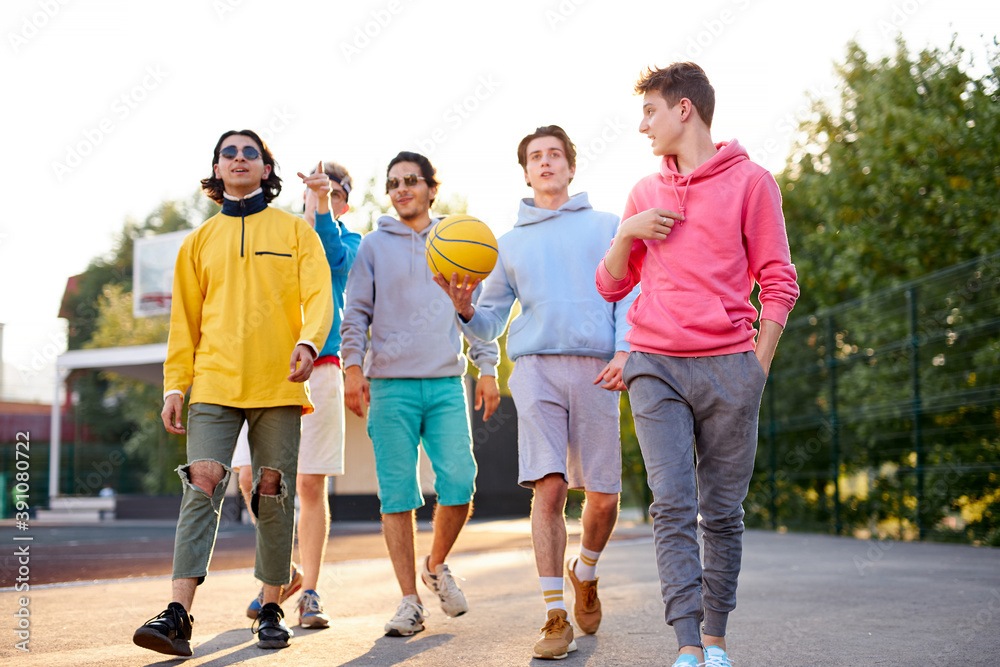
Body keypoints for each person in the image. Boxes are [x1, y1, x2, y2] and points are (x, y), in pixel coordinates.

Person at [595, 63, 799, 667]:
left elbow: (779, 281)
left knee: (723, 513)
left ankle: (715, 640)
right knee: (673, 505)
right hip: (655, 364)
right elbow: (610, 287)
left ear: (684, 109)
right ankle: (686, 643)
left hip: (729, 369)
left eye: (650, 112)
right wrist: (627, 234)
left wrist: (754, 367)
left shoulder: (753, 182)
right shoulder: (643, 193)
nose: (642, 126)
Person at [434, 125, 637, 660]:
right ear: (525, 172)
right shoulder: (506, 244)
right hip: (536, 370)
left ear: (571, 166)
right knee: (548, 489)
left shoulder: (608, 227)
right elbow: (490, 324)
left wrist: (624, 353)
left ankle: (585, 572)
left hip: (598, 367)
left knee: (604, 497)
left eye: (554, 155)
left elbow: (628, 298)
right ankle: (554, 615)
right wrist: (464, 307)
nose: (545, 163)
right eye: (535, 157)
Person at [132, 130, 333, 656]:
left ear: (267, 169)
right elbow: (184, 323)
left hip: (279, 382)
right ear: (217, 170)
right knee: (202, 480)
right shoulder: (197, 242)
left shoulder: (294, 231)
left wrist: (310, 344)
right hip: (214, 383)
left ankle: (270, 608)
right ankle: (177, 615)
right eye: (230, 153)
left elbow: (319, 294)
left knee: (271, 488)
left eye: (251, 153)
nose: (240, 159)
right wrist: (175, 384)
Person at [340, 151, 500, 638]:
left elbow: (475, 309)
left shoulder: (459, 240)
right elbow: (356, 313)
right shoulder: (373, 245)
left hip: (446, 380)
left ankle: (436, 565)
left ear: (432, 187)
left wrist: (488, 368)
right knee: (398, 495)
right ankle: (409, 601)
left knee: (460, 483)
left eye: (411, 180)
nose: (401, 188)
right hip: (389, 386)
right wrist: (351, 367)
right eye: (393, 183)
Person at [232, 160, 361, 630]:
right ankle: (285, 571)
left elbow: (327, 255)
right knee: (249, 479)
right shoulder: (280, 236)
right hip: (266, 368)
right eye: (314, 188)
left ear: (344, 199)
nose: (324, 194)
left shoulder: (349, 240)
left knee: (308, 484)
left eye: (333, 191)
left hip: (322, 366)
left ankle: (310, 593)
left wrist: (320, 206)